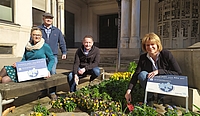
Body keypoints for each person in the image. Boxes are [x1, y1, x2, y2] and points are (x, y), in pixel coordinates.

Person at [0, 27, 55, 115]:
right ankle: (9, 104)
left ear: (41, 36)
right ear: (31, 35)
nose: (36, 36)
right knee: (4, 77)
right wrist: (18, 65)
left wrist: (48, 70)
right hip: (25, 70)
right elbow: (24, 59)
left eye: (38, 35)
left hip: (36, 73)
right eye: (34, 35)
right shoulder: (28, 46)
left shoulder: (45, 46)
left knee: (5, 75)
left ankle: (8, 104)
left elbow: (52, 59)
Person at [124, 32, 182, 104]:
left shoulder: (166, 54)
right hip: (151, 83)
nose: (150, 47)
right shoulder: (143, 58)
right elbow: (136, 74)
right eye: (147, 45)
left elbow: (178, 73)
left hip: (165, 82)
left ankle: (161, 99)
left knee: (164, 77)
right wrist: (129, 91)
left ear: (157, 45)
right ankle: (150, 98)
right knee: (142, 75)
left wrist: (159, 71)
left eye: (152, 44)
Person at [38, 12, 67, 99]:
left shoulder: (57, 31)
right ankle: (43, 91)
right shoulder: (38, 29)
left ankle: (52, 92)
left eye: (50, 18)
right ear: (43, 18)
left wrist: (64, 52)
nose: (49, 19)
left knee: (52, 73)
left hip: (53, 56)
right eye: (47, 18)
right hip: (41, 55)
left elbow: (62, 42)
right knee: (41, 73)